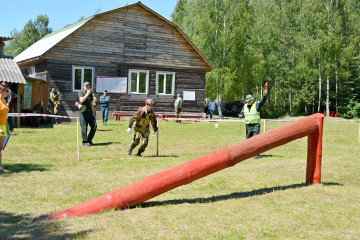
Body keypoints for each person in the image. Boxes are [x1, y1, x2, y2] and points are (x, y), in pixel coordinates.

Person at [239, 89, 268, 159]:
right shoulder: (245, 106)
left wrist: (264, 96)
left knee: (256, 139)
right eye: (247, 101)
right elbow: (242, 113)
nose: (248, 102)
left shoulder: (256, 105)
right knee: (248, 140)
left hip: (255, 125)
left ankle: (256, 154)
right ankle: (249, 153)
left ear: (251, 100)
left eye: (249, 101)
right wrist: (241, 115)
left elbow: (262, 102)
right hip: (248, 125)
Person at [78, 82, 97, 147]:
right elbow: (81, 100)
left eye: (88, 86)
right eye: (86, 86)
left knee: (94, 126)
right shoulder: (81, 92)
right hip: (83, 112)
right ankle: (84, 142)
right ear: (83, 87)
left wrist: (93, 112)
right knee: (84, 127)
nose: (88, 87)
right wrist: (87, 94)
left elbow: (91, 103)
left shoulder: (90, 93)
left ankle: (89, 139)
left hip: (90, 112)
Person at [0, 84, 10, 173]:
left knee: (0, 148)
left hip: (3, 126)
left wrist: (7, 127)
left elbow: (5, 116)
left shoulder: (3, 101)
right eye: (6, 91)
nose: (8, 93)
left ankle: (0, 167)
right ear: (1, 91)